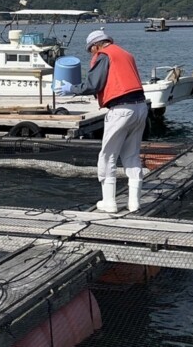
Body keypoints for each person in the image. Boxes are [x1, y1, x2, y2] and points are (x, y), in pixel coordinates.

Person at [55, 30, 148, 213]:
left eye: (91, 50)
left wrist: (71, 88)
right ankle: (134, 203)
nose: (92, 54)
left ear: (96, 45)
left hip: (121, 109)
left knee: (107, 156)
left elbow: (93, 85)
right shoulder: (125, 54)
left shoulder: (104, 55)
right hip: (141, 107)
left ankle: (109, 203)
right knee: (131, 155)